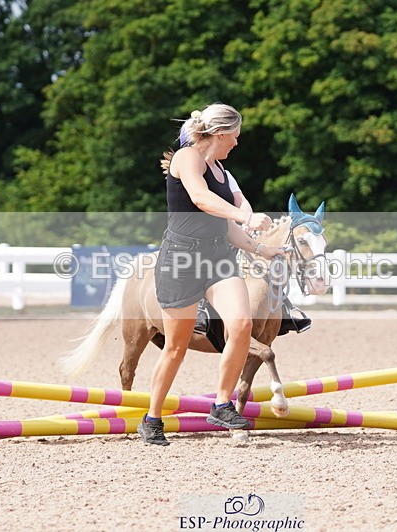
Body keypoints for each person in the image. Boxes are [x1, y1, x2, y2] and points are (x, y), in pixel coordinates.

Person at [138, 103, 288, 446]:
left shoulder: (220, 169)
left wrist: (261, 249)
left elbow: (225, 227)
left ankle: (222, 403)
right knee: (175, 348)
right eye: (234, 137)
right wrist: (244, 215)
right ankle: (152, 418)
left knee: (242, 324)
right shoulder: (186, 158)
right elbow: (201, 199)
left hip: (218, 258)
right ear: (219, 134)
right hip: (181, 260)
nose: (236, 143)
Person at [179, 124, 312, 337]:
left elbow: (240, 201)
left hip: (229, 230)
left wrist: (247, 223)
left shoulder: (224, 173)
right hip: (197, 235)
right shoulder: (187, 171)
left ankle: (283, 307)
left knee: (261, 265)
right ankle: (201, 309)